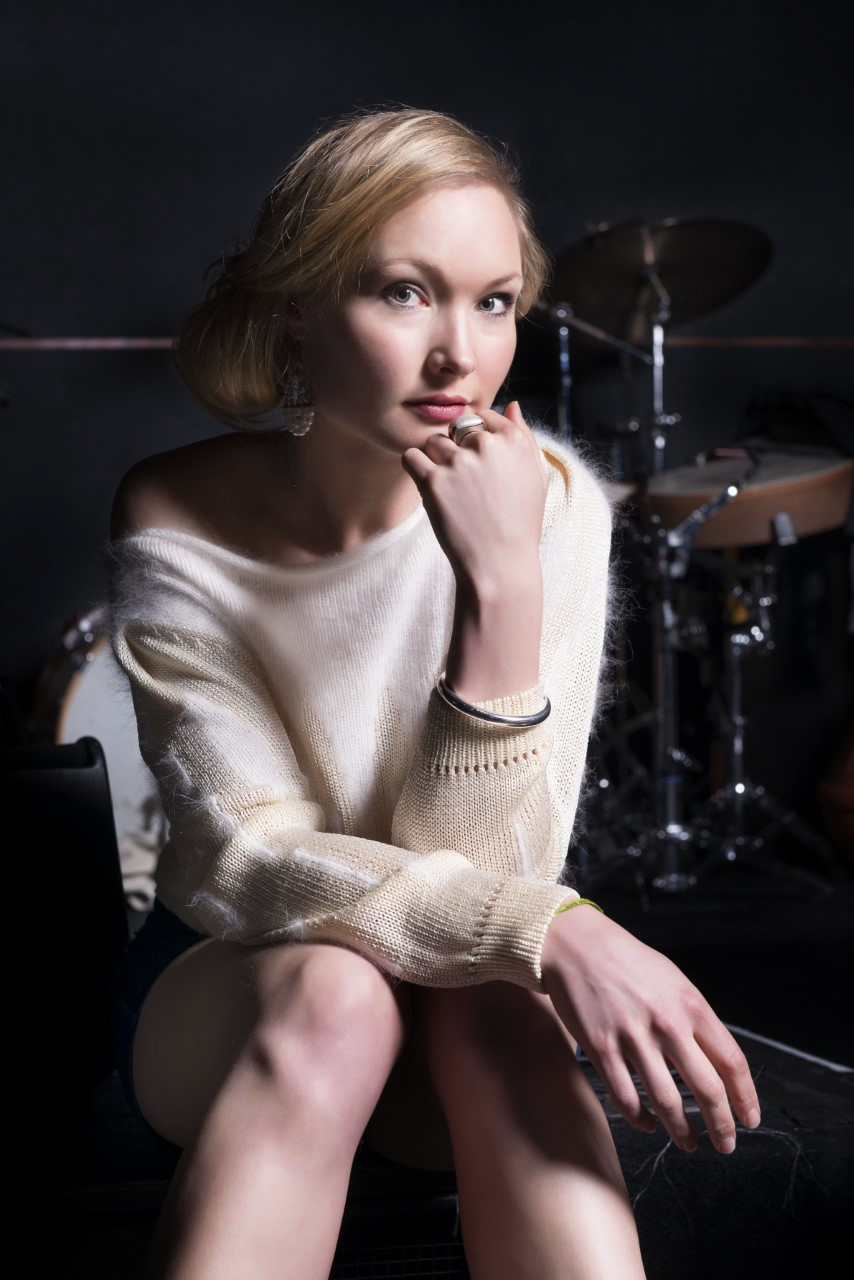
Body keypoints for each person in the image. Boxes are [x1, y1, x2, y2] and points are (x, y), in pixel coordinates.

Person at [107, 106, 761, 1280]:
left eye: (493, 301)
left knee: (492, 1005)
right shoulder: (177, 511)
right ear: (297, 306)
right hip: (236, 984)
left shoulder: (550, 505)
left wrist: (498, 585)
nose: (460, 352)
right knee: (339, 991)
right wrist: (551, 925)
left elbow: (493, 871)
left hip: (463, 1007)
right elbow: (249, 857)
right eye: (404, 292)